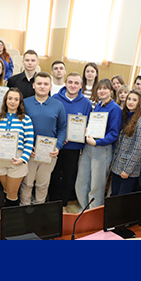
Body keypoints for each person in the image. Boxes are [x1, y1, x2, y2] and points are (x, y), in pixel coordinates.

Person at [20, 72, 67, 206]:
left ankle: (39, 209)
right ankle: (24, 208)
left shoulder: (58, 105)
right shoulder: (25, 103)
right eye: (39, 83)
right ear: (34, 85)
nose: (42, 86)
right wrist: (25, 146)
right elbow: (19, 126)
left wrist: (58, 146)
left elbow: (62, 128)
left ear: (50, 86)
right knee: (27, 183)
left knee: (42, 184)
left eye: (45, 84)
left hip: (49, 152)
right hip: (29, 151)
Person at [75, 78, 122, 209]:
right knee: (82, 181)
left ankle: (93, 212)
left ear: (111, 91)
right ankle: (83, 209)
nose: (102, 91)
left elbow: (113, 134)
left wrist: (97, 142)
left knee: (96, 185)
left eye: (105, 88)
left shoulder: (115, 109)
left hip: (102, 149)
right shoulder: (98, 106)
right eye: (99, 88)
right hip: (88, 147)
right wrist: (87, 130)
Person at [50, 72, 93, 212]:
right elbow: (51, 121)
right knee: (53, 175)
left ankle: (63, 204)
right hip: (56, 146)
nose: (73, 85)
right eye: (70, 82)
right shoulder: (55, 98)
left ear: (81, 86)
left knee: (68, 177)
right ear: (65, 83)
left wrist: (86, 129)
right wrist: (59, 137)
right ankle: (51, 203)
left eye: (76, 83)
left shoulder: (86, 103)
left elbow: (90, 124)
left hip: (74, 147)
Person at [0, 87, 34, 207]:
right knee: (6, 191)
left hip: (17, 159)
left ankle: (11, 217)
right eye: (10, 98)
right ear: (5, 100)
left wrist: (23, 158)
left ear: (20, 102)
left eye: (16, 99)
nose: (12, 102)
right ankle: (9, 213)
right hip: (0, 159)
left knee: (12, 194)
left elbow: (29, 141)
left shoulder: (26, 119)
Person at [110, 90, 141, 196]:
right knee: (114, 195)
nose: (131, 102)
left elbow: (138, 149)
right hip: (117, 165)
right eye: (129, 99)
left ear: (139, 103)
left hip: (128, 169)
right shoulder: (125, 116)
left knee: (122, 198)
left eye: (134, 100)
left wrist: (127, 170)